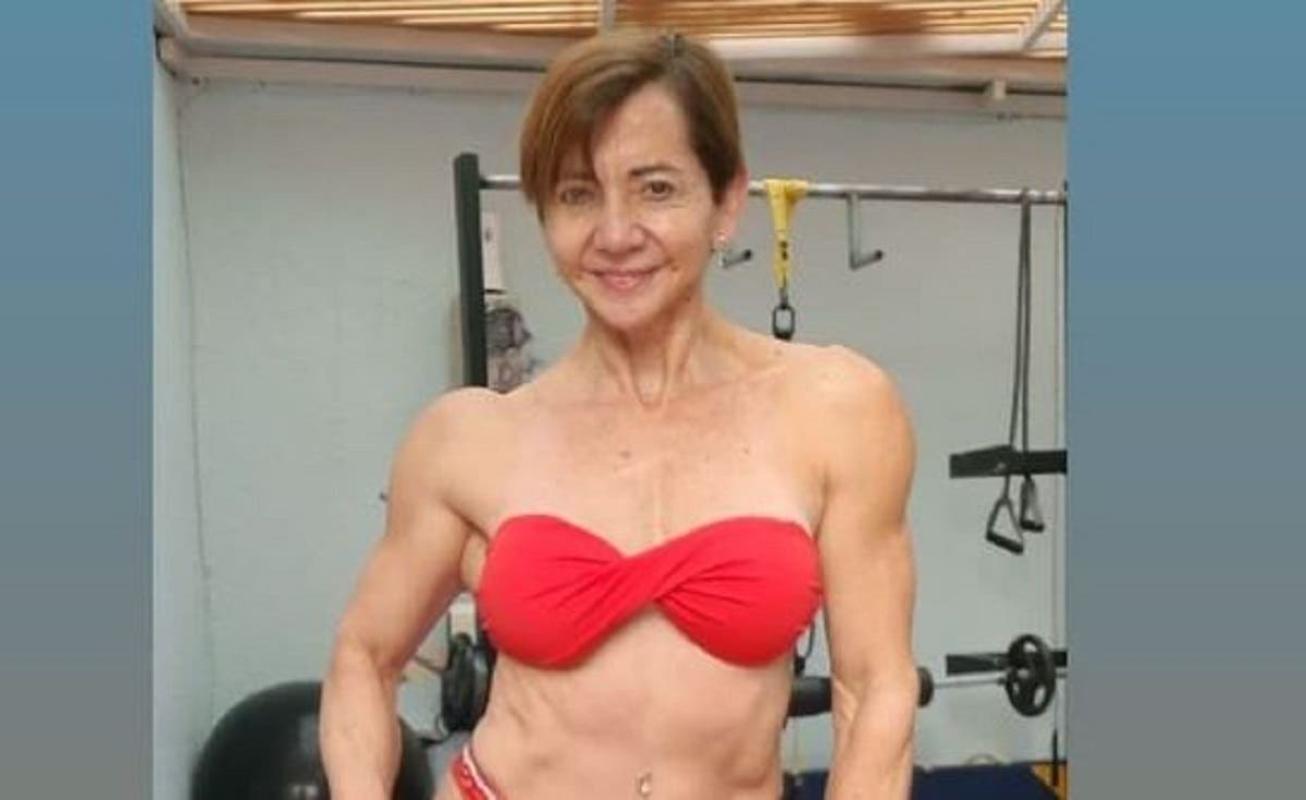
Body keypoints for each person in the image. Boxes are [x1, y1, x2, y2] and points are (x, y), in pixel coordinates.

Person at [320, 29, 918, 800]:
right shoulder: (467, 439)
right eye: (577, 194)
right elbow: (363, 656)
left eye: (655, 189)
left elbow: (875, 690)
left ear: (727, 200)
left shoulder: (836, 408)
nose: (614, 235)